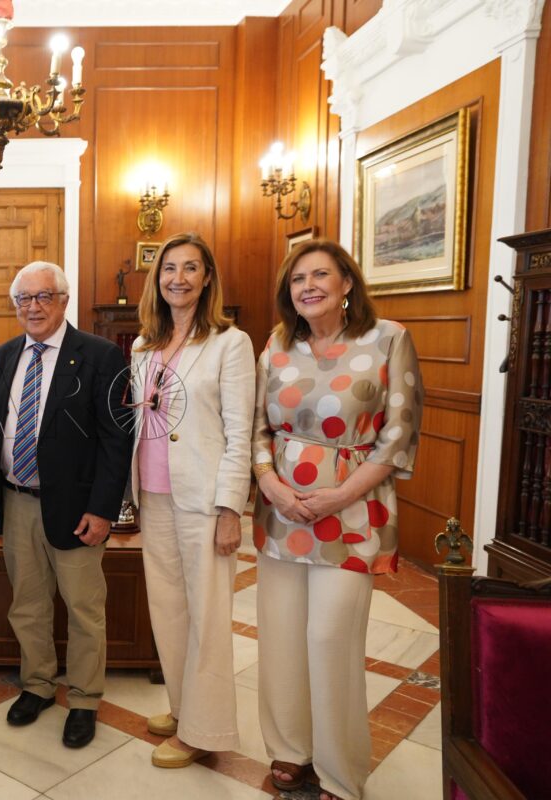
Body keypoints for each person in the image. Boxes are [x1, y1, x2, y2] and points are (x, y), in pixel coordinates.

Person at [251, 238, 423, 800]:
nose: (308, 287)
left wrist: (337, 495)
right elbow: (259, 430)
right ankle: (289, 751)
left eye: (320, 275)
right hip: (281, 516)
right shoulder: (276, 345)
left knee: (331, 640)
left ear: (347, 283)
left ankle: (340, 773)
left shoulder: (388, 339)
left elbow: (397, 437)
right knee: (279, 638)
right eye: (298, 279)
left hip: (351, 516)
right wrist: (272, 484)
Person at [0, 261, 132, 749]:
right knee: (27, 605)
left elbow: (117, 440)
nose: (34, 306)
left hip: (76, 507)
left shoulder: (101, 355)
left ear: (64, 300)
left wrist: (104, 509)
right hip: (16, 497)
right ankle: (39, 685)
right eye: (24, 298)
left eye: (44, 296)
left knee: (84, 608)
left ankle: (86, 699)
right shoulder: (5, 355)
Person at [128, 233, 254, 768]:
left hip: (204, 501)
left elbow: (239, 431)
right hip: (154, 496)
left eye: (190, 268)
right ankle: (184, 709)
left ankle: (206, 729)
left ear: (207, 278)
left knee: (207, 615)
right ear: (157, 281)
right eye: (168, 269)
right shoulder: (143, 345)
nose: (178, 278)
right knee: (170, 610)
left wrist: (231, 508)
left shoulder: (231, 343)